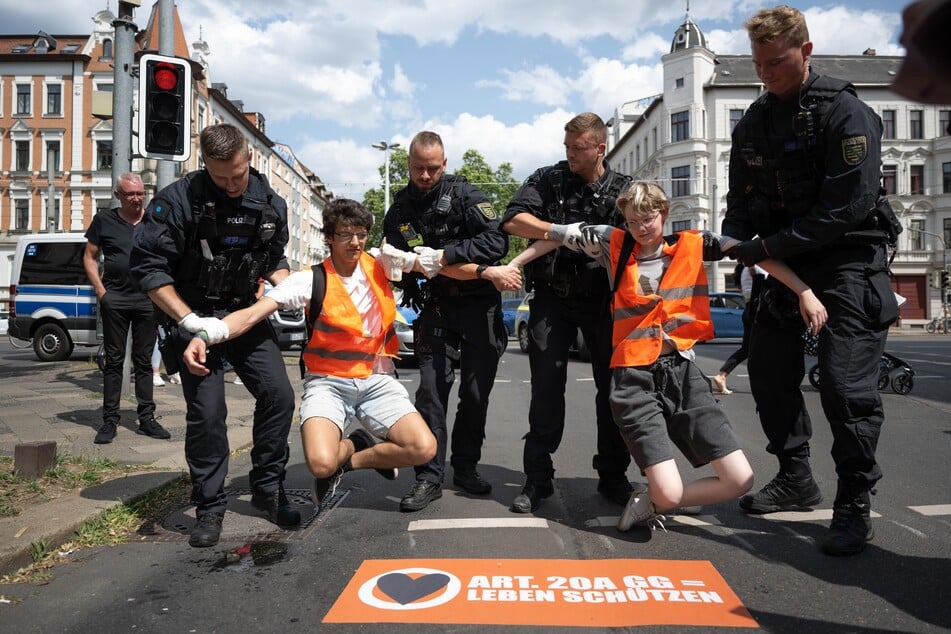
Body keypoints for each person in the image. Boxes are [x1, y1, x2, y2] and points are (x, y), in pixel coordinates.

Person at [514, 181, 825, 530]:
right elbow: (553, 235)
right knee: (670, 494)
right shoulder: (610, 241)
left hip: (683, 372)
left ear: (664, 214)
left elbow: (754, 252)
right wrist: (513, 264)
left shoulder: (696, 243)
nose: (640, 228)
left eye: (647, 219)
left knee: (740, 480)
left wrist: (804, 291)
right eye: (632, 221)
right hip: (633, 377)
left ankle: (649, 499)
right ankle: (661, 497)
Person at [723, 5, 900, 556]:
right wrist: (733, 240)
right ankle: (796, 477)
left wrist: (762, 248)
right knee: (771, 379)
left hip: (848, 262)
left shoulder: (846, 113)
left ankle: (853, 502)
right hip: (782, 267)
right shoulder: (752, 120)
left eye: (775, 62)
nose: (765, 73)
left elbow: (845, 209)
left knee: (846, 391)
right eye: (758, 63)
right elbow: (738, 206)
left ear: (806, 51)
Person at [180, 199, 437, 510]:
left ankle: (352, 457)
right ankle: (349, 447)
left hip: (376, 379)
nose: (355, 243)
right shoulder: (308, 280)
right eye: (345, 234)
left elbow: (433, 263)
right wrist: (206, 335)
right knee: (320, 464)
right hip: (328, 383)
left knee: (423, 449)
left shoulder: (382, 265)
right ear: (328, 237)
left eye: (361, 234)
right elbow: (250, 315)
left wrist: (441, 260)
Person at [131, 123, 301, 548]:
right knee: (208, 413)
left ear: (249, 159)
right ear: (203, 162)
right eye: (220, 176)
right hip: (193, 319)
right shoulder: (177, 202)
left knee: (279, 395)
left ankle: (266, 487)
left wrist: (290, 286)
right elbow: (150, 272)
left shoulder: (270, 203)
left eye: (238, 175)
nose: (230, 185)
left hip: (243, 314)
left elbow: (273, 259)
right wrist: (190, 323)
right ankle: (209, 506)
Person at [500, 112, 635, 514]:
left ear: (600, 148)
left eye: (578, 148)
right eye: (567, 147)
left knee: (612, 390)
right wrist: (558, 231)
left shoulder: (623, 190)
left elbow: (643, 232)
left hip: (604, 301)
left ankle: (613, 475)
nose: (570, 155)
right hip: (552, 299)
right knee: (545, 386)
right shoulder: (548, 179)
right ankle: (537, 478)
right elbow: (513, 221)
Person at [381, 130, 520, 512]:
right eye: (417, 169)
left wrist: (444, 256)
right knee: (430, 391)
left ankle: (466, 467)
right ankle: (428, 476)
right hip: (437, 306)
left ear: (444, 164)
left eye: (432, 169)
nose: (425, 176)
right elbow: (394, 256)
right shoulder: (399, 210)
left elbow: (496, 243)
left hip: (479, 307)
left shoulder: (466, 196)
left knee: (475, 395)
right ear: (407, 165)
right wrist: (401, 269)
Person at [83, 172, 169, 444]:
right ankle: (110, 421)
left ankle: (146, 419)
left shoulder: (154, 221)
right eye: (130, 194)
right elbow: (89, 256)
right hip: (115, 298)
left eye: (140, 193)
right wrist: (101, 291)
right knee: (114, 361)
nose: (136, 198)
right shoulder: (104, 220)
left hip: (147, 299)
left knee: (144, 362)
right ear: (118, 195)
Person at [710, 265, 767, 395]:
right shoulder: (754, 267)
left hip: (750, 309)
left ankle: (722, 375)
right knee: (768, 347)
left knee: (747, 349)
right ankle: (781, 383)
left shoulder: (747, 269)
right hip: (756, 311)